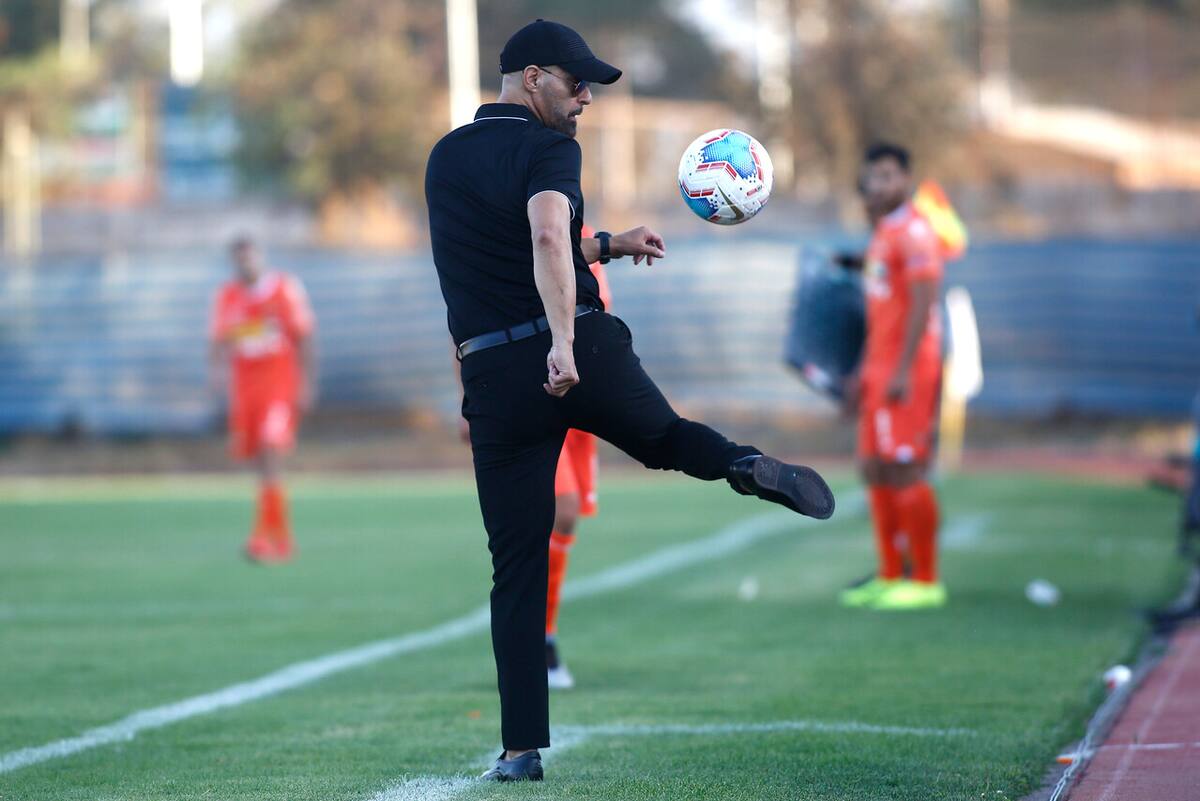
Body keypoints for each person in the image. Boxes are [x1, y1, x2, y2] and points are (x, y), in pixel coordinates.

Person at [425, 19, 835, 782]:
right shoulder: (551, 147)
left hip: (493, 376)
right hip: (574, 344)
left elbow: (511, 248)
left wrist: (609, 243)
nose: (586, 97)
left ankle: (520, 751)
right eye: (576, 82)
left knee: (516, 563)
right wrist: (559, 340)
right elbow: (546, 237)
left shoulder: (446, 156)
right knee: (668, 440)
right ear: (531, 77)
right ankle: (744, 463)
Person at [839, 143, 946, 611]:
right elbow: (882, 307)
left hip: (909, 367)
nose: (877, 185)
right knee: (874, 467)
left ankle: (924, 580)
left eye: (886, 176)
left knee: (904, 467)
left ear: (906, 179)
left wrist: (902, 369)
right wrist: (865, 369)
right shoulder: (883, 232)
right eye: (872, 177)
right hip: (880, 367)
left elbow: (924, 300)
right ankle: (889, 574)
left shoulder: (915, 230)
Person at [209, 237, 316, 563]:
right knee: (259, 460)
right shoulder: (227, 297)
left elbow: (305, 336)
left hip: (279, 385)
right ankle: (279, 537)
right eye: (239, 259)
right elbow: (218, 341)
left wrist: (307, 383)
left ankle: (263, 537)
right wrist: (216, 377)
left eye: (250, 257)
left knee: (271, 450)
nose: (246, 264)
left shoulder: (284, 289)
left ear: (260, 257)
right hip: (246, 389)